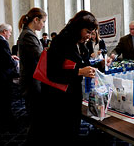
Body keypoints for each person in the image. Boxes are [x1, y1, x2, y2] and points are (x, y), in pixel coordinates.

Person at [36, 10, 98, 145]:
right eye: (87, 31)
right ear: (78, 27)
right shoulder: (61, 41)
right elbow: (52, 73)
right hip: (58, 97)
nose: (89, 36)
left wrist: (98, 65)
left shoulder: (81, 43)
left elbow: (83, 62)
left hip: (73, 95)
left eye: (91, 33)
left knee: (72, 130)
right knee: (61, 134)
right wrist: (80, 71)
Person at [17, 7, 46, 144]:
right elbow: (41, 56)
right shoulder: (28, 35)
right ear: (36, 20)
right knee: (36, 119)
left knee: (37, 119)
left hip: (32, 81)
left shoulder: (29, 33)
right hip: (31, 83)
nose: (44, 24)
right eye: (43, 21)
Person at [0, 24, 19, 132]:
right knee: (6, 101)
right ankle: (10, 126)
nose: (10, 34)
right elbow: (7, 61)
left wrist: (10, 57)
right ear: (4, 31)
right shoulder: (2, 42)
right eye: (10, 32)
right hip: (3, 77)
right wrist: (15, 63)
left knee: (0, 102)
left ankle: (3, 123)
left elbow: (0, 57)